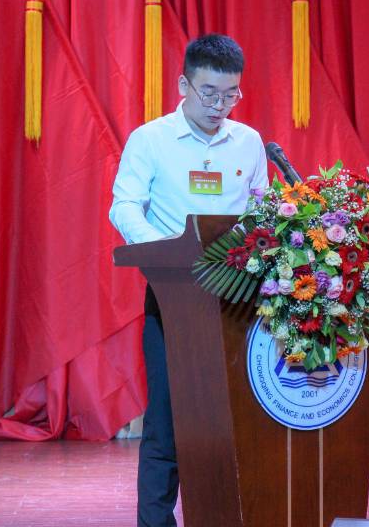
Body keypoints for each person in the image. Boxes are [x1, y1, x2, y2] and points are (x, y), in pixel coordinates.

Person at [108, 34, 268, 527]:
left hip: (237, 301)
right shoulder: (150, 140)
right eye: (209, 93)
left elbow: (263, 211)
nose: (219, 106)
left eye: (230, 94)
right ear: (183, 85)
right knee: (167, 423)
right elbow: (124, 206)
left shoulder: (249, 142)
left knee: (234, 421)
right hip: (173, 299)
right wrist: (166, 254)